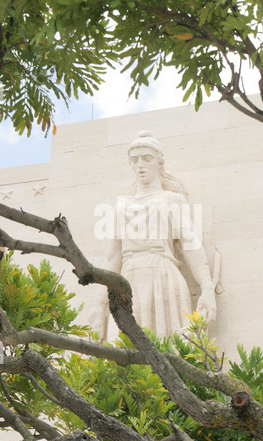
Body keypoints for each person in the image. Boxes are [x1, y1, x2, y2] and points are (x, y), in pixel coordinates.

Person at [91, 131, 217, 342]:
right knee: (124, 350)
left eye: (146, 158)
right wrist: (99, 305)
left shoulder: (173, 200)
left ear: (159, 162)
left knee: (170, 349)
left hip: (164, 276)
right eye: (134, 160)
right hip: (128, 280)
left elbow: (191, 247)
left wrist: (207, 288)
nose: (140, 165)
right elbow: (112, 259)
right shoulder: (120, 205)